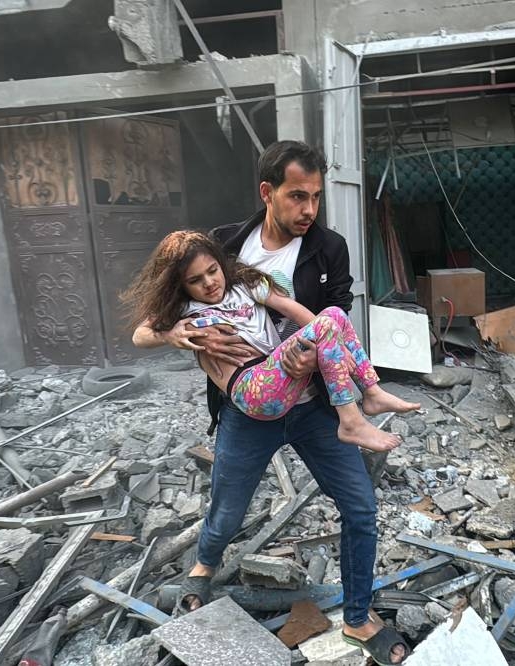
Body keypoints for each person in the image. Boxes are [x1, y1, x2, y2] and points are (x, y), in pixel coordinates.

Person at [130, 141, 412, 665]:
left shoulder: (328, 248)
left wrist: (315, 356)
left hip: (313, 405)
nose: (309, 209)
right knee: (226, 513)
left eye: (316, 197)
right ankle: (204, 565)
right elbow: (153, 323)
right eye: (297, 196)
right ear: (268, 192)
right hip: (247, 410)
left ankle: (357, 616)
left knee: (360, 508)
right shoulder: (222, 247)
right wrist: (180, 337)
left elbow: (330, 316)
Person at [124, 230, 418, 451]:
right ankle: (351, 422)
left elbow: (295, 311)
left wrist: (335, 346)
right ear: (180, 286)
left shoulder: (245, 285)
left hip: (275, 374)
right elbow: (140, 336)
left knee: (333, 314)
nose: (209, 282)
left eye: (212, 271)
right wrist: (170, 334)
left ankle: (372, 392)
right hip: (252, 389)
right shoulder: (185, 307)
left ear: (221, 264)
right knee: (327, 323)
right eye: (195, 280)